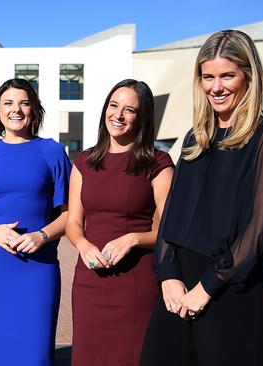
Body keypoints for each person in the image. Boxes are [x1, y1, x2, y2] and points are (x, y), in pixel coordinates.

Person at [141, 30, 263, 365]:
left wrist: (206, 287)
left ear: (249, 76)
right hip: (178, 288)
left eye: (227, 75)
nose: (216, 87)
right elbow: (172, 212)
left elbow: (258, 228)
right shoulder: (195, 137)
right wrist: (168, 272)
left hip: (231, 290)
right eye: (208, 77)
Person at [0, 78, 71, 365]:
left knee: (36, 354)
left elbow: (72, 214)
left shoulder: (52, 151)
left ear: (34, 109)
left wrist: (42, 236)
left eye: (23, 103)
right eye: (8, 103)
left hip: (39, 267)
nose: (16, 110)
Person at [65, 79, 174, 365]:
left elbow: (171, 228)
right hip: (90, 282)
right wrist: (83, 245)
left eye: (129, 110)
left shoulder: (158, 162)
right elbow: (73, 223)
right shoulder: (84, 161)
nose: (118, 115)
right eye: (114, 106)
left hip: (136, 284)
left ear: (142, 118)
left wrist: (134, 238)